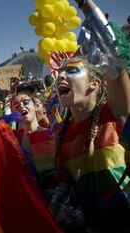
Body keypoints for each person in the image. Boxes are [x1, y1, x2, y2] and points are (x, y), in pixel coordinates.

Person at [53, 52, 130, 232]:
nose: (60, 76)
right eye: (59, 73)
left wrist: (108, 49)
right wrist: (55, 206)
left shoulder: (114, 113)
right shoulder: (62, 135)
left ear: (94, 83)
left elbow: (117, 75)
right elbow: (65, 184)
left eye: (71, 70)